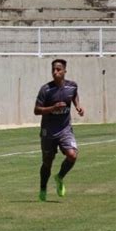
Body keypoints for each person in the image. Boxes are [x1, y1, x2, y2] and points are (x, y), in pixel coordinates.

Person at [34, 59, 84, 202]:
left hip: (65, 129)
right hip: (48, 131)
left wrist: (78, 106)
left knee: (72, 155)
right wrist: (52, 108)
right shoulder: (46, 89)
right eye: (53, 70)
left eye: (58, 69)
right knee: (47, 162)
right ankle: (43, 189)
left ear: (64, 71)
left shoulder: (72, 86)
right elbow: (36, 110)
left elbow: (73, 95)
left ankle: (60, 177)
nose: (55, 72)